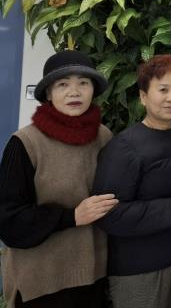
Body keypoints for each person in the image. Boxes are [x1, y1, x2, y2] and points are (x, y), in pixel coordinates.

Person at [0, 50, 117, 307]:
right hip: (42, 285)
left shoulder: (104, 137)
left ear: (93, 90)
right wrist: (72, 216)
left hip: (93, 279)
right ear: (48, 94)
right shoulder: (25, 143)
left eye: (83, 83)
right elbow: (8, 221)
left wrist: (167, 130)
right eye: (63, 84)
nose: (74, 92)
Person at [92, 55, 171, 308]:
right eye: (163, 90)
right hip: (139, 270)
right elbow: (109, 215)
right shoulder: (124, 147)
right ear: (143, 96)